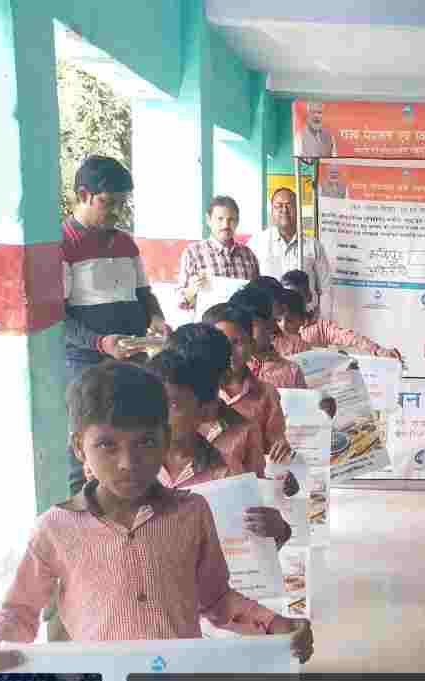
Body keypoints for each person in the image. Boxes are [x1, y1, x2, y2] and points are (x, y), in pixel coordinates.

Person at [0, 362, 311, 671]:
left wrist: (274, 624)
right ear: (79, 447)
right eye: (107, 445)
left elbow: (216, 600)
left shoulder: (191, 513)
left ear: (165, 440)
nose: (128, 463)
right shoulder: (55, 528)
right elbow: (20, 610)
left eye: (145, 442)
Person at [61, 155, 168, 494]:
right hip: (87, 363)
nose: (116, 212)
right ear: (83, 195)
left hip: (133, 358)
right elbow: (60, 319)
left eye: (122, 204)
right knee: (90, 445)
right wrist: (101, 343)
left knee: (137, 435)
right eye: (109, 203)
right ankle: (84, 511)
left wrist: (156, 317)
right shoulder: (63, 244)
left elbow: (143, 292)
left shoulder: (125, 242)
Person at [144, 350, 295, 550]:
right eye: (149, 403)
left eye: (172, 404)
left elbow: (251, 551)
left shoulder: (227, 475)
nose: (158, 415)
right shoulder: (129, 470)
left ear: (204, 411)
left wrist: (279, 531)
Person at [192, 304, 295, 465]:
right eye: (220, 344)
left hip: (248, 477)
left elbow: (275, 443)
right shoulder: (193, 394)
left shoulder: (267, 394)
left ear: (251, 344)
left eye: (237, 342)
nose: (229, 352)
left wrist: (281, 446)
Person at [251, 189, 333, 322]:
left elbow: (325, 288)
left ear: (298, 210)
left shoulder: (313, 245)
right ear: (272, 211)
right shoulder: (257, 243)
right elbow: (249, 285)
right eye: (278, 206)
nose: (284, 210)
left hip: (305, 321)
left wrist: (322, 321)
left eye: (289, 205)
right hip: (269, 322)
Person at [175, 196, 261, 314]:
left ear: (237, 222)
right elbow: (181, 302)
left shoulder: (248, 255)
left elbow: (257, 298)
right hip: (207, 324)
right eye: (220, 219)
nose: (225, 225)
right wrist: (191, 290)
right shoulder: (193, 253)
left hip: (242, 324)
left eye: (231, 219)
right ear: (208, 220)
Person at [281, 283, 402, 359]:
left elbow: (349, 337)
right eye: (279, 319)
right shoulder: (276, 336)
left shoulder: (320, 328)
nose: (283, 325)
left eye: (290, 320)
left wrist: (377, 350)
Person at [231, 286, 309, 390]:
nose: (243, 335)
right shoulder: (230, 373)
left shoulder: (291, 372)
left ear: (270, 324)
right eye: (238, 329)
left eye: (250, 326)